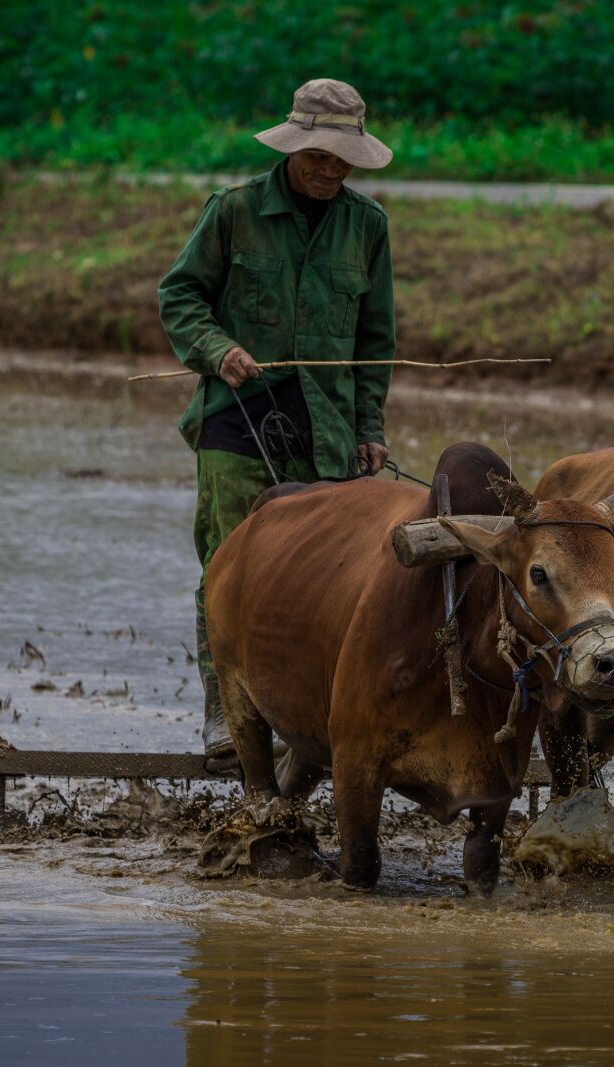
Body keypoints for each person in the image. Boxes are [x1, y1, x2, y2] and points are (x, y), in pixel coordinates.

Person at [158, 78, 396, 769]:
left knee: (317, 579)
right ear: (294, 149)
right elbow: (180, 294)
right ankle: (225, 714)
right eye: (318, 156)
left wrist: (368, 424)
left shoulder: (368, 227)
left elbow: (374, 339)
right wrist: (216, 350)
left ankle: (310, 717)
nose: (330, 170)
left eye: (342, 159)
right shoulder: (234, 213)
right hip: (236, 418)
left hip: (325, 429)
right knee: (228, 566)